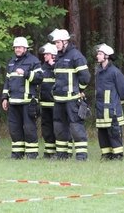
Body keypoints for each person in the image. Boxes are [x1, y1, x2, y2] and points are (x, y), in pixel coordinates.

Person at [49, 29, 91, 161]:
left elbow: (85, 77)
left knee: (76, 125)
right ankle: (62, 154)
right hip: (59, 99)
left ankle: (81, 155)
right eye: (55, 42)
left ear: (65, 41)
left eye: (57, 42)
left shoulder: (76, 56)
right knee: (59, 126)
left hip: (72, 99)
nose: (56, 45)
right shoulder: (59, 57)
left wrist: (79, 90)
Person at [2, 37, 43, 159]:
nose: (17, 49)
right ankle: (17, 154)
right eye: (16, 47)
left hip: (28, 101)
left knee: (29, 128)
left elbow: (40, 78)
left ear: (25, 48)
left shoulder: (33, 61)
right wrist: (4, 97)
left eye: (19, 47)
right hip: (13, 102)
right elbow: (7, 81)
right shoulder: (12, 62)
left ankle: (32, 154)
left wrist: (26, 74)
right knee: (14, 129)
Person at [95, 43, 124, 161]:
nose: (97, 56)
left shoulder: (115, 72)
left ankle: (117, 155)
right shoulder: (99, 72)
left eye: (100, 54)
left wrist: (117, 103)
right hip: (101, 110)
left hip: (112, 111)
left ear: (107, 56)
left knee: (114, 133)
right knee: (103, 133)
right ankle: (106, 154)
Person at [39, 43, 57, 158]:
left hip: (57, 104)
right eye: (44, 54)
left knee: (58, 128)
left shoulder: (59, 67)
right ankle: (49, 152)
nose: (45, 56)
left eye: (47, 54)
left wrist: (54, 67)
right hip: (44, 104)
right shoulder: (42, 68)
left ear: (53, 55)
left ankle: (62, 152)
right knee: (47, 128)